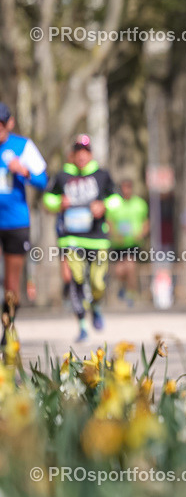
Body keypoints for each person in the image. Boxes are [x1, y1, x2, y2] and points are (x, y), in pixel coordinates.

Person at [43, 135, 118, 342]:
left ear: (90, 154)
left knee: (97, 282)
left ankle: (95, 305)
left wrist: (103, 206)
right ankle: (82, 325)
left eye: (85, 151)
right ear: (72, 155)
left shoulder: (102, 176)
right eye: (78, 152)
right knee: (75, 280)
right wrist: (58, 202)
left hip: (97, 238)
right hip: (71, 239)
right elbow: (47, 199)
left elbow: (116, 200)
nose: (82, 156)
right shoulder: (62, 176)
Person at [0, 102, 48, 347]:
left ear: (9, 123)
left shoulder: (22, 146)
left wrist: (24, 171)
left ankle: (7, 334)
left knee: (11, 281)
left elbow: (43, 181)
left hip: (15, 223)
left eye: (0, 125)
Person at [107, 178, 149, 307]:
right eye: (124, 188)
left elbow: (146, 222)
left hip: (133, 243)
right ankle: (123, 288)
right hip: (118, 243)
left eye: (128, 187)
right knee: (119, 271)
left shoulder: (140, 204)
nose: (126, 190)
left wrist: (141, 234)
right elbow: (109, 221)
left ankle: (131, 293)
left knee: (130, 267)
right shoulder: (114, 204)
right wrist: (114, 233)